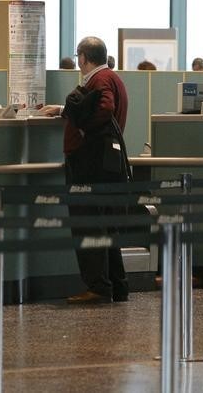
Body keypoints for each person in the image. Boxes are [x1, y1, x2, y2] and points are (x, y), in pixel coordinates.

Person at [39, 36, 130, 304]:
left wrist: (82, 128)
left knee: (87, 224)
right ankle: (117, 285)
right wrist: (65, 110)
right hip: (105, 164)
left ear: (82, 57)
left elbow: (104, 108)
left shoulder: (99, 80)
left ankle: (98, 287)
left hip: (90, 164)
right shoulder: (113, 78)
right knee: (105, 227)